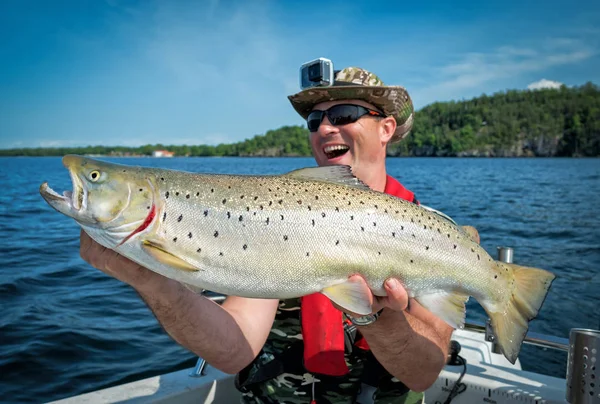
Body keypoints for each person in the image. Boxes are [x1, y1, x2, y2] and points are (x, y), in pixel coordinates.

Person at [80, 66, 465, 403]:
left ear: (386, 128)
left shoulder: (435, 233)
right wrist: (148, 279)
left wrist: (378, 317)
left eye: (345, 113)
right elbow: (233, 350)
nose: (326, 127)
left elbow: (424, 373)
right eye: (314, 121)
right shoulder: (277, 215)